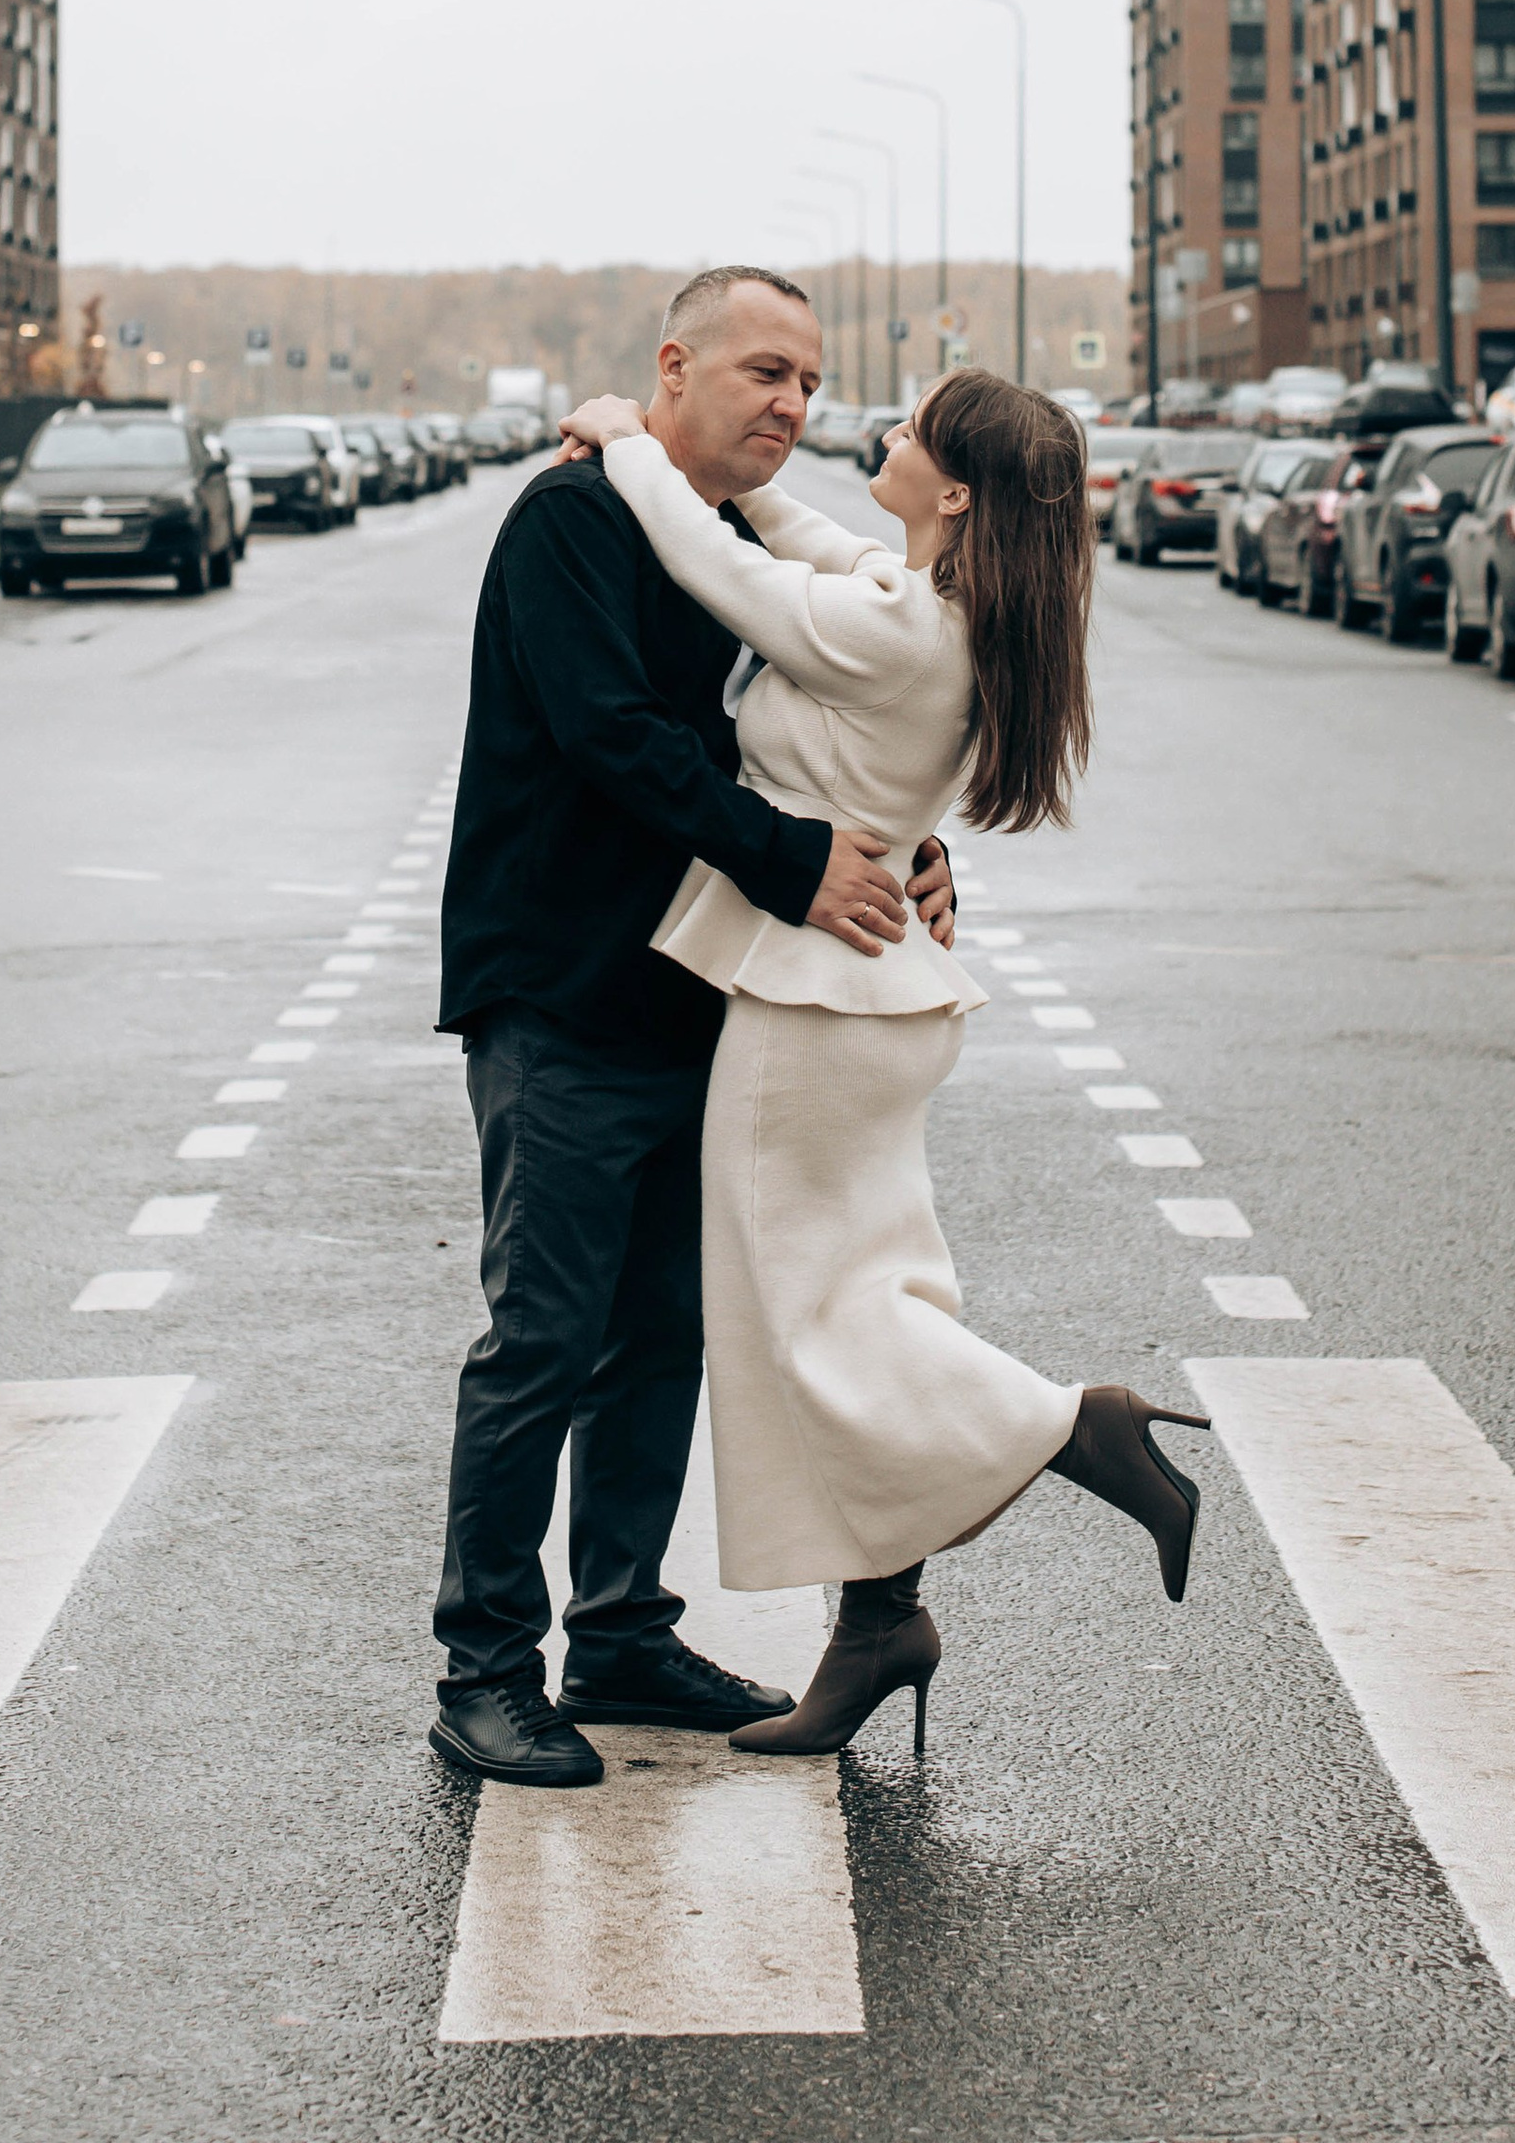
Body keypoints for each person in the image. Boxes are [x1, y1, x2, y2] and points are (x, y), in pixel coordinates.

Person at [553, 359, 1209, 1761]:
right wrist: (728, 478)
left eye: (907, 431)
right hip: (865, 997)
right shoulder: (927, 606)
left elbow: (714, 566)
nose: (881, 434)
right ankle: (877, 1628)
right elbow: (798, 544)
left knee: (813, 1321)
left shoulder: (903, 635)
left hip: (814, 1005)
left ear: (954, 490)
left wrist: (626, 440)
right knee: (869, 1290)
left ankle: (1069, 1427)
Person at [429, 267, 956, 1790]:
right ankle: (481, 1668)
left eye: (808, 382)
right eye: (763, 373)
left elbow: (822, 737)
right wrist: (802, 866)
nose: (793, 406)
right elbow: (616, 738)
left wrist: (906, 845)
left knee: (662, 1335)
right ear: (677, 366)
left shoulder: (722, 538)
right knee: (544, 1335)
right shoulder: (577, 520)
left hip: (702, 999)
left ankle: (619, 1635)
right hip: (563, 989)